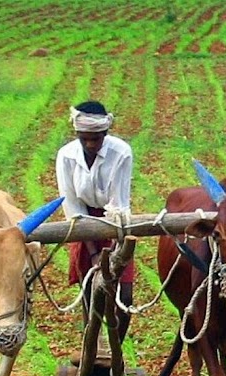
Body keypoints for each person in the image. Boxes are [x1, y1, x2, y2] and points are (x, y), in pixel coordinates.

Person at [55, 100, 134, 350]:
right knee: (91, 291)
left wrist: (114, 254)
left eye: (96, 139)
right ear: (77, 134)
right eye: (85, 139)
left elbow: (118, 204)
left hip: (115, 223)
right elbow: (73, 207)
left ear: (105, 133)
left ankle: (115, 352)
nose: (90, 144)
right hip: (83, 224)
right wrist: (92, 253)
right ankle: (92, 348)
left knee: (124, 296)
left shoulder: (121, 152)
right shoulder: (66, 156)